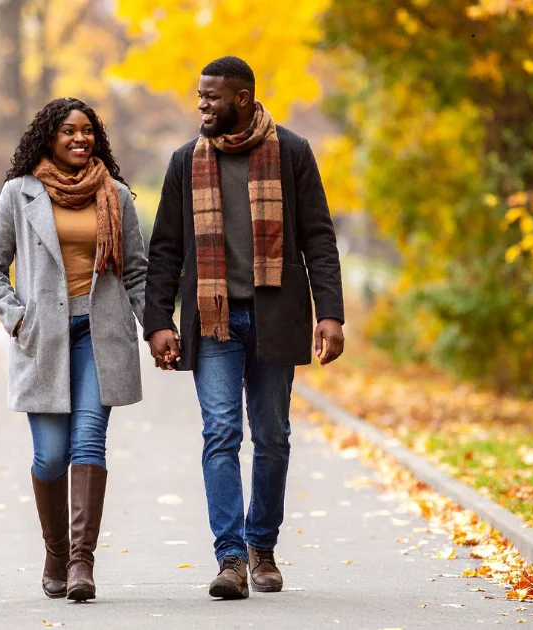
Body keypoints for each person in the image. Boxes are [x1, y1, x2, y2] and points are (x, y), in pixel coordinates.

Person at [143, 56, 346, 600]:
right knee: (221, 434)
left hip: (276, 316)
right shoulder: (186, 161)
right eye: (199, 95)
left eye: (211, 96)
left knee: (273, 437)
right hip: (214, 323)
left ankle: (263, 546)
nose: (201, 105)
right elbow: (165, 248)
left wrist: (331, 312)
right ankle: (231, 557)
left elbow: (319, 238)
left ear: (242, 98)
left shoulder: (293, 153)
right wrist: (157, 320)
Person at [0, 97, 148, 602]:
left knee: (88, 441)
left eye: (88, 131)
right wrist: (17, 316)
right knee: (50, 458)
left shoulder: (116, 196)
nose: (80, 138)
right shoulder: (19, 194)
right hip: (43, 337)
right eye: (69, 131)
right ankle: (55, 550)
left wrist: (159, 328)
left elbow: (136, 271)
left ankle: (80, 563)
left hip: (101, 334)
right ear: (49, 137)